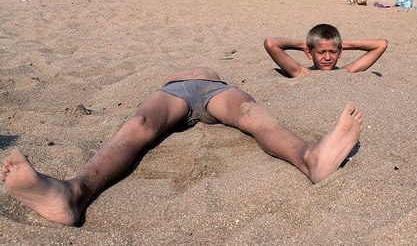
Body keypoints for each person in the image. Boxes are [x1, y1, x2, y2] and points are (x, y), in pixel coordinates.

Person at [0, 67, 363, 226]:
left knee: (253, 116)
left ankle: (311, 158)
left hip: (213, 89)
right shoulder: (174, 79)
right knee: (139, 126)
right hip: (175, 93)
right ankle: (72, 193)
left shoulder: (208, 77)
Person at [264, 23, 388, 78]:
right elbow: (271, 44)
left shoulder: (346, 72)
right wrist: (305, 45)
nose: (328, 58)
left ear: (339, 52)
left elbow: (381, 45)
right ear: (309, 53)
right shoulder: (302, 73)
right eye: (321, 52)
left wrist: (340, 44)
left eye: (333, 52)